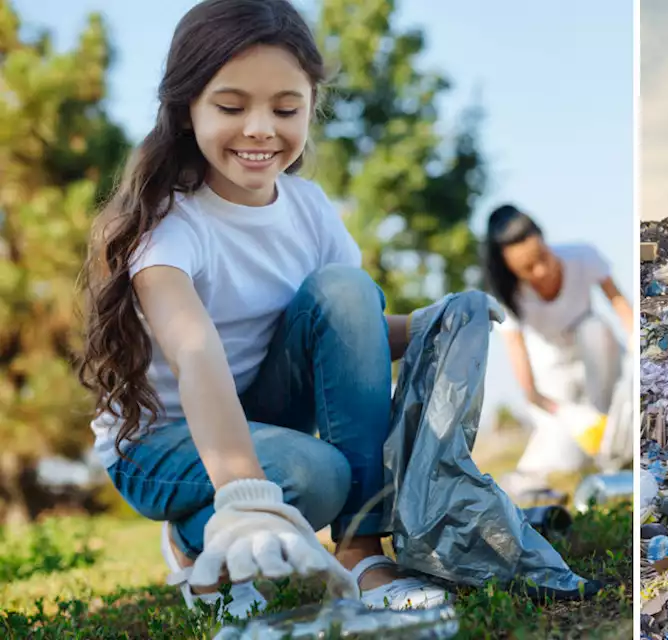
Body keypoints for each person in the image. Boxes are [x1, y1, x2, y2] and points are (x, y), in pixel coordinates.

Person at [78, 0, 484, 617]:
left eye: (286, 108)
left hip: (262, 412)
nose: (261, 129)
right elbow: (195, 351)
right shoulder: (168, 226)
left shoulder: (310, 208)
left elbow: (358, 335)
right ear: (187, 109)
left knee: (346, 288)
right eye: (232, 107)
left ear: (311, 106)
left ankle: (362, 554)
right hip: (164, 442)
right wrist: (244, 493)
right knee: (318, 475)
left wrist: (441, 321)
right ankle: (200, 535)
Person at [483, 205, 634, 499]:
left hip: (599, 365)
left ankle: (613, 445)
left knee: (593, 328)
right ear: (510, 269)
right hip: (555, 386)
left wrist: (633, 346)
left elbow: (621, 308)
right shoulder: (507, 297)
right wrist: (569, 415)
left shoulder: (582, 256)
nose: (539, 271)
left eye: (542, 258)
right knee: (561, 459)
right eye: (527, 269)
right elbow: (530, 391)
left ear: (544, 239)